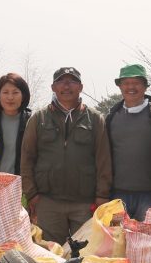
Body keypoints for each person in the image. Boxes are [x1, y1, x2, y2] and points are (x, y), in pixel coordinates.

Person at [20, 67, 111, 244]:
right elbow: (27, 158)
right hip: (48, 201)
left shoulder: (95, 119)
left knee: (84, 254)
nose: (67, 86)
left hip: (85, 202)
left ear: (81, 87)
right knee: (50, 255)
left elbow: (104, 160)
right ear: (53, 87)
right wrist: (31, 194)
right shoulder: (39, 119)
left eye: (72, 81)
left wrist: (102, 196)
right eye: (61, 81)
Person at [105, 64, 151, 221]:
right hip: (117, 195)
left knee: (145, 242)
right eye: (126, 83)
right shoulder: (111, 117)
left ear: (145, 86)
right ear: (120, 86)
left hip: (150, 195)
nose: (131, 87)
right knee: (117, 242)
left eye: (136, 83)